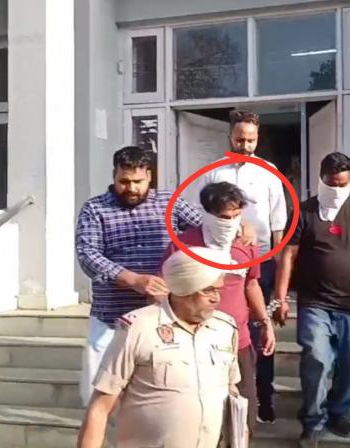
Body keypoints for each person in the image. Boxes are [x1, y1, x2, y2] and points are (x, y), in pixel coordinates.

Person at [75, 146, 255, 406]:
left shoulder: (169, 202)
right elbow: (88, 255)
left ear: (149, 176)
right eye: (124, 181)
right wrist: (133, 279)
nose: (131, 188)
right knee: (102, 397)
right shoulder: (95, 209)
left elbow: (209, 223)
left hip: (165, 319)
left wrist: (242, 225)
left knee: (158, 396)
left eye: (138, 181)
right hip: (113, 316)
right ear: (114, 175)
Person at [272, 152, 350, 447]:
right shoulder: (304, 211)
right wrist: (280, 298)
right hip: (315, 303)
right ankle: (313, 421)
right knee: (316, 358)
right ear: (321, 179)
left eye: (342, 184)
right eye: (332, 183)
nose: (337, 189)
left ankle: (337, 412)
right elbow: (288, 255)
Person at [77, 247, 240, 448]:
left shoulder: (225, 328)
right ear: (184, 288)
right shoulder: (138, 327)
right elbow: (100, 408)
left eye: (219, 290)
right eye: (208, 290)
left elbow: (233, 395)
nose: (216, 298)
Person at [162, 181, 277, 437]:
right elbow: (165, 289)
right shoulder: (183, 245)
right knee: (198, 418)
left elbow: (252, 285)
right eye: (225, 217)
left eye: (237, 216)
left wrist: (265, 323)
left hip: (238, 341)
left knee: (243, 419)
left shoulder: (246, 243)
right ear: (208, 213)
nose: (231, 222)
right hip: (194, 343)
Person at [196, 109, 287, 423]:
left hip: (261, 263)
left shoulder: (270, 173)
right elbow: (198, 216)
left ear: (257, 139)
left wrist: (280, 278)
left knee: (261, 327)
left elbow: (278, 223)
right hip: (220, 262)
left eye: (251, 140)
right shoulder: (212, 173)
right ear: (229, 136)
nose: (245, 145)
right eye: (239, 139)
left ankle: (263, 396)